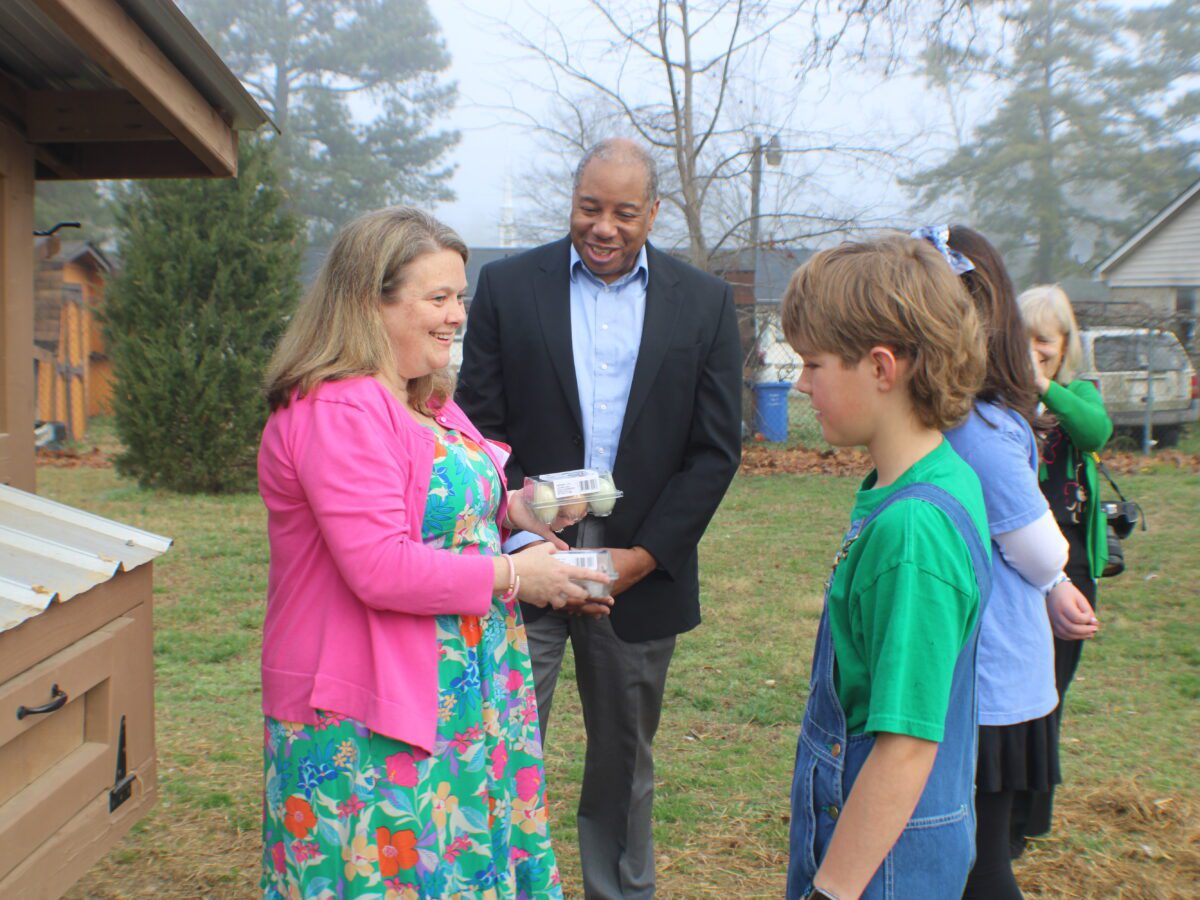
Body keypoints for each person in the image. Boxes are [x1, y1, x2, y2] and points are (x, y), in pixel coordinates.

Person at [257, 207, 612, 899]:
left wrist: (522, 508)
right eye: (438, 298)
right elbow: (379, 566)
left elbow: (437, 503)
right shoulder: (340, 409)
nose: (457, 316)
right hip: (364, 708)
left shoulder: (423, 397)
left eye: (461, 296)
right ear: (370, 302)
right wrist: (514, 574)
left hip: (451, 685)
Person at [455, 138, 742, 898]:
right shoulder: (509, 289)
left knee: (623, 763)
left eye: (622, 212)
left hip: (638, 575)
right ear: (572, 202)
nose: (603, 227)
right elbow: (477, 432)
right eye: (589, 207)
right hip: (525, 562)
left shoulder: (704, 302)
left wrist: (641, 557)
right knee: (502, 749)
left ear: (653, 213)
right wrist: (524, 535)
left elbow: (715, 452)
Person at [781, 235, 992, 900]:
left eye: (813, 365)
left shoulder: (913, 531)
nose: (800, 383)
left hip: (883, 873)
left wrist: (832, 889)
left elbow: (904, 748)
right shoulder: (930, 479)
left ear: (881, 367)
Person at [935, 226, 1098, 900]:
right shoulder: (973, 420)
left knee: (982, 863)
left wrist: (1058, 578)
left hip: (991, 681)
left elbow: (1039, 548)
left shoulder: (977, 429)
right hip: (989, 672)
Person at [1011, 284, 1110, 846]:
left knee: (1049, 690)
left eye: (1043, 341)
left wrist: (1044, 385)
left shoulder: (1079, 394)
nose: (1032, 350)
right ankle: (1002, 809)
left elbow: (1096, 432)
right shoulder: (1003, 397)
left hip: (1070, 564)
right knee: (1013, 686)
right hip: (1015, 555)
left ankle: (1029, 820)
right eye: (1022, 339)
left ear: (1065, 343)